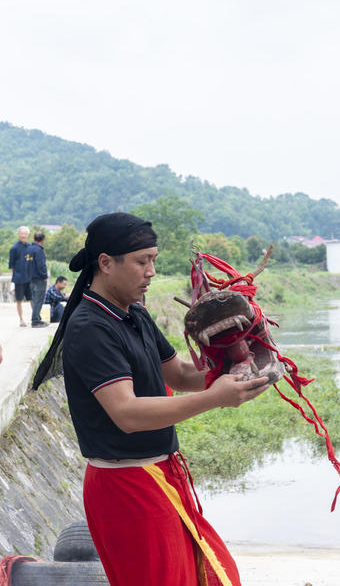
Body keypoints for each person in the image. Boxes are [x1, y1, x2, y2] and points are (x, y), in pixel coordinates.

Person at [33, 212, 270, 586]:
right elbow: (126, 413)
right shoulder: (90, 327)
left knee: (209, 574)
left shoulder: (135, 314)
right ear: (106, 264)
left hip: (161, 476)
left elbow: (177, 372)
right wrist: (215, 397)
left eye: (154, 260)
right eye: (143, 261)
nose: (151, 272)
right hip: (126, 488)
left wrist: (232, 364)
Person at [8, 226, 32, 327]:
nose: (23, 235)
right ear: (18, 235)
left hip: (30, 277)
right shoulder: (14, 248)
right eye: (21, 233)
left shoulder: (30, 247)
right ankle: (21, 319)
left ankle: (35, 317)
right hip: (18, 278)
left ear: (27, 235)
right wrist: (13, 280)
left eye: (25, 234)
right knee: (19, 300)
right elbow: (11, 265)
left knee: (32, 298)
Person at [28, 231, 49, 328]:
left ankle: (37, 318)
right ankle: (35, 321)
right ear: (43, 240)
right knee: (39, 300)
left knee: (34, 299)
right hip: (39, 279)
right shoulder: (38, 250)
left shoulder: (29, 249)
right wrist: (45, 276)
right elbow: (41, 265)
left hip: (30, 278)